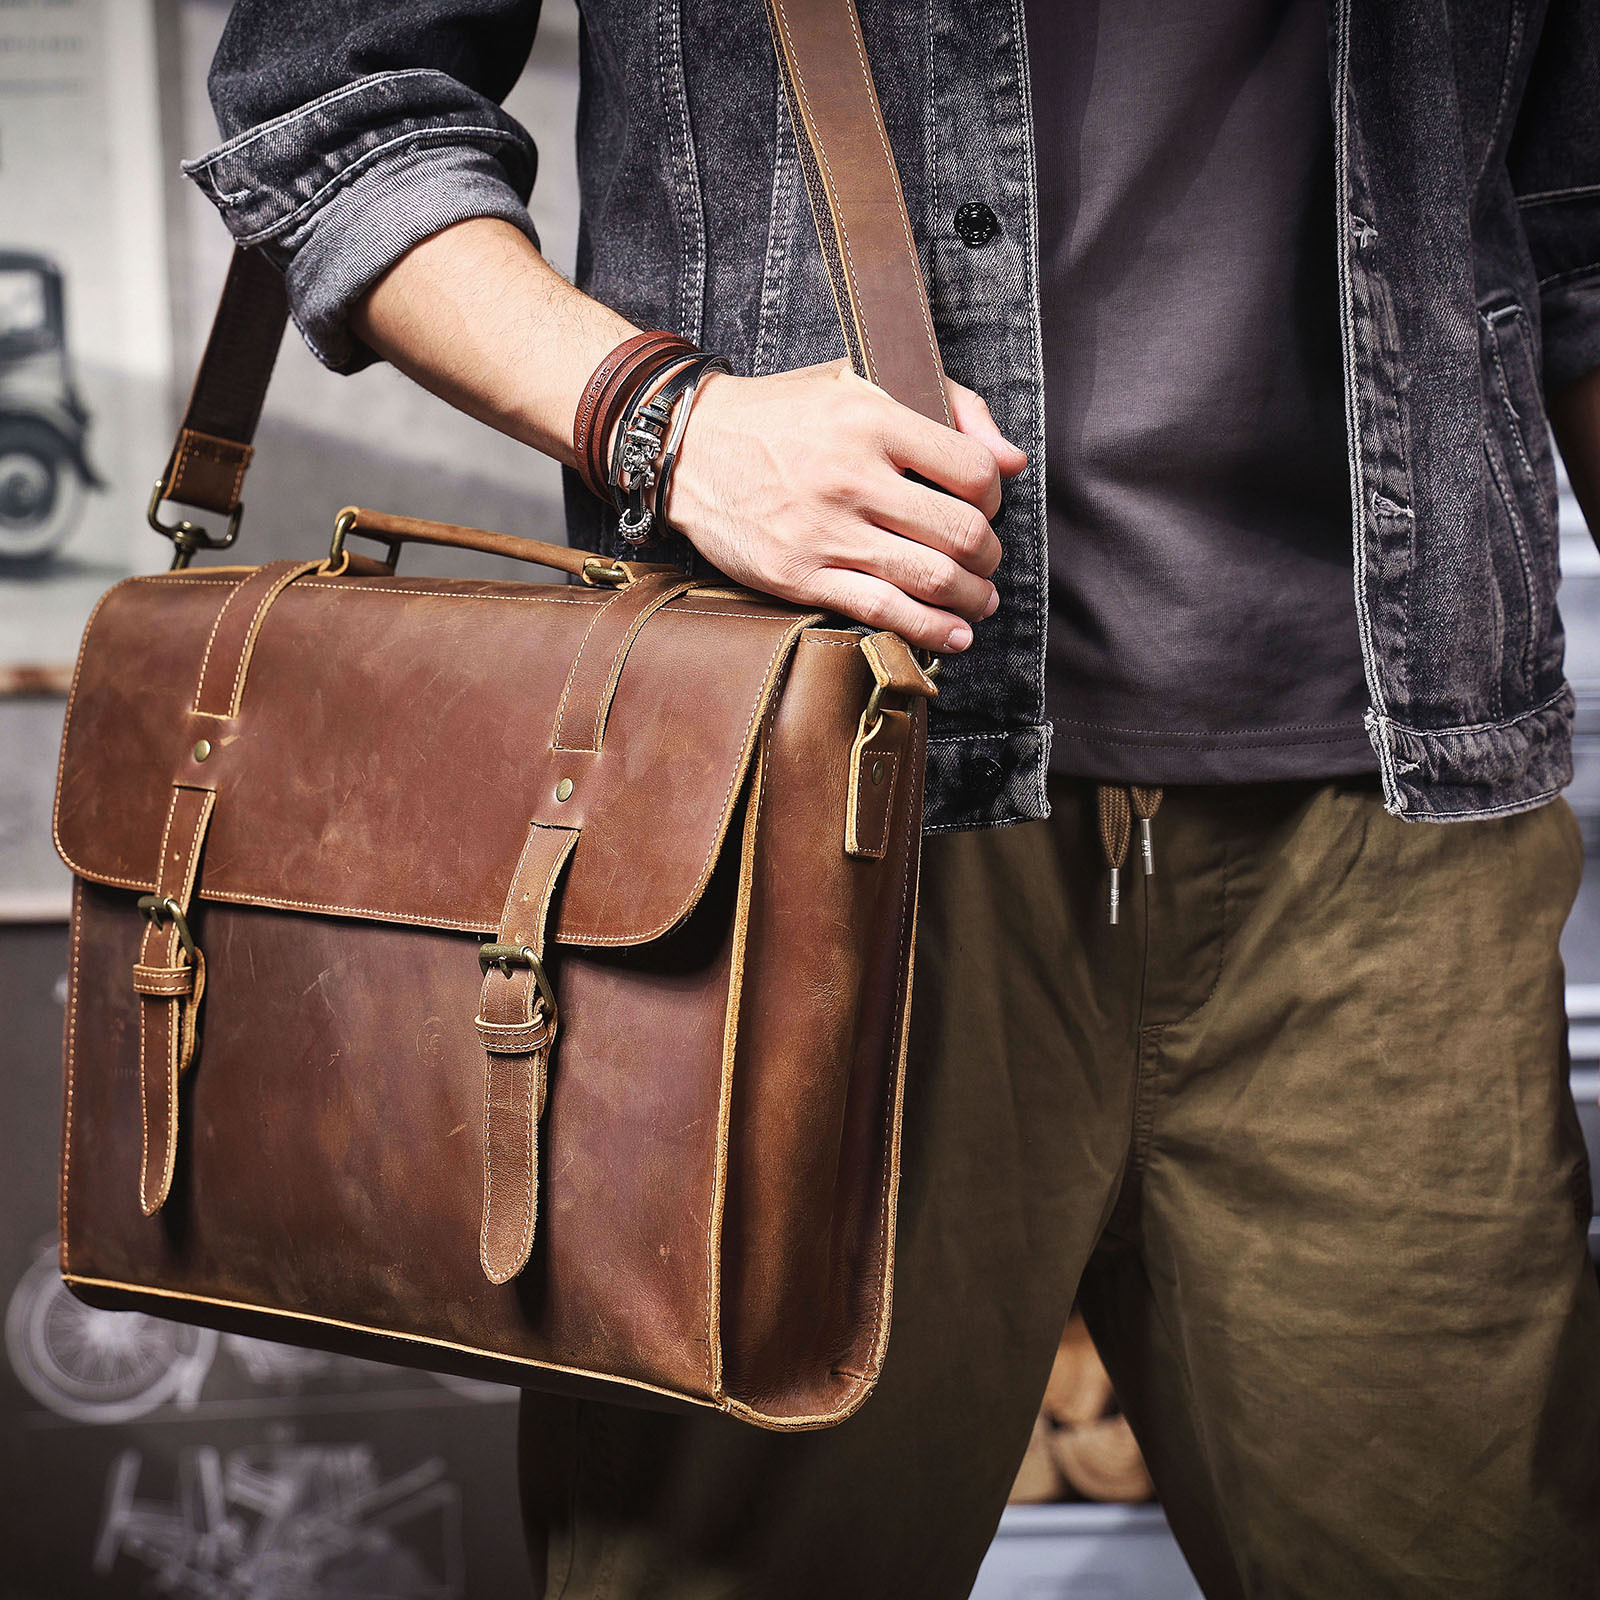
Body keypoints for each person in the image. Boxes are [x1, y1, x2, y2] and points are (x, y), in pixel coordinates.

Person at [188, 3, 1600, 1595]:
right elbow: (333, 95)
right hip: (801, 821)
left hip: (1391, 843)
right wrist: (669, 420)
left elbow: (1577, 229)